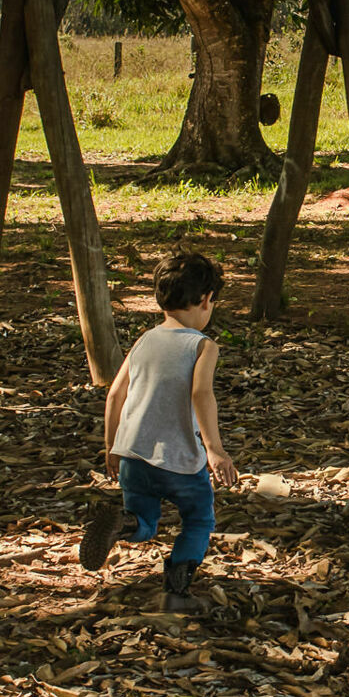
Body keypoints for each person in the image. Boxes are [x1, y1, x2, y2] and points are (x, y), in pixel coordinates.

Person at [80, 251, 240, 613]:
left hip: (133, 454)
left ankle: (123, 524)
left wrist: (112, 446)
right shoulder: (202, 345)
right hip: (180, 459)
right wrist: (215, 449)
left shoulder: (145, 340)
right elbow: (201, 394)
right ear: (205, 300)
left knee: (146, 521)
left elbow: (115, 394)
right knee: (199, 518)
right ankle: (176, 593)